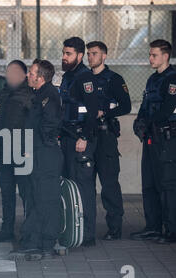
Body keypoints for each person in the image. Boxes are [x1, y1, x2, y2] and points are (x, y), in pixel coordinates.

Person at [131, 39, 176, 244]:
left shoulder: (175, 80)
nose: (150, 58)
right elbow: (146, 105)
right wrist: (139, 122)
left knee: (168, 184)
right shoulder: (152, 80)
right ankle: (153, 227)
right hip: (151, 137)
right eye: (150, 54)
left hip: (166, 138)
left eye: (154, 55)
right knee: (149, 183)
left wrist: (148, 123)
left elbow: (167, 108)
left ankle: (172, 231)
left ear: (165, 56)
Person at [11, 59, 63, 261]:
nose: (28, 76)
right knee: (34, 198)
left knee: (46, 200)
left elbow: (49, 126)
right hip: (36, 154)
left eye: (32, 73)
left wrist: (34, 148)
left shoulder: (49, 96)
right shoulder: (37, 95)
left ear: (41, 77)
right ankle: (32, 241)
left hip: (45, 155)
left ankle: (46, 244)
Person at [86, 41, 132, 240]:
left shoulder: (114, 79)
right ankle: (86, 227)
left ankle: (115, 227)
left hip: (105, 137)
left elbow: (126, 106)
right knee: (86, 184)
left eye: (94, 53)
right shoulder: (84, 79)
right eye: (88, 54)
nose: (90, 57)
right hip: (87, 135)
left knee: (109, 184)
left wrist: (105, 112)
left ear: (104, 56)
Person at [0, 60, 34, 243]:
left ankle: (29, 231)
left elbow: (33, 121)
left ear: (24, 74)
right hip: (3, 149)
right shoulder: (5, 92)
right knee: (6, 192)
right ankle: (7, 229)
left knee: (25, 192)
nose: (10, 76)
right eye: (8, 72)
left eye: (15, 73)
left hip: (21, 150)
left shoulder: (30, 94)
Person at [59, 37, 100, 247]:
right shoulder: (67, 77)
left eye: (68, 54)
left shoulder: (85, 78)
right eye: (64, 53)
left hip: (80, 140)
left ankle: (88, 235)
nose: (64, 57)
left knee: (83, 186)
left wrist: (84, 137)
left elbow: (93, 112)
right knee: (69, 185)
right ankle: (73, 230)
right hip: (67, 138)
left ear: (80, 56)